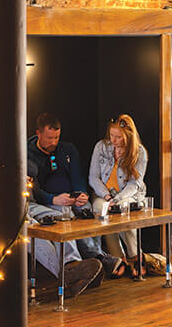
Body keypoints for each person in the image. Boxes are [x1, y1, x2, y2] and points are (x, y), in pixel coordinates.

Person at [27, 113, 121, 278]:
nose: (53, 142)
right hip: (50, 201)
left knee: (88, 210)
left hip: (72, 197)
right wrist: (53, 199)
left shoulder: (68, 149)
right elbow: (33, 189)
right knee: (66, 216)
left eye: (57, 137)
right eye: (49, 138)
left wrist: (82, 193)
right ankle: (97, 260)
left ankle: (95, 259)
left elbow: (78, 176)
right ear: (38, 133)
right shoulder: (28, 154)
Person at [89, 114, 147, 276]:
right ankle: (117, 258)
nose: (113, 140)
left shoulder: (139, 152)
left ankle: (135, 256)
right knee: (101, 211)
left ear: (128, 136)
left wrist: (118, 199)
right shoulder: (101, 147)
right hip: (103, 194)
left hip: (128, 194)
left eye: (118, 137)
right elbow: (93, 177)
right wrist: (107, 197)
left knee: (123, 210)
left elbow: (134, 184)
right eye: (111, 136)